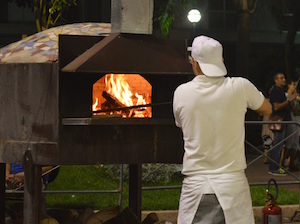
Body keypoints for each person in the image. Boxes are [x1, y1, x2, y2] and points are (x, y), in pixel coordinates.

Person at [173, 35, 272, 224]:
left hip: (196, 187)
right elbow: (267, 108)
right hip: (232, 186)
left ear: (195, 63)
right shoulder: (240, 86)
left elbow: (182, 128)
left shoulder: (181, 93)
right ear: (221, 61)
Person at [268, 73, 297, 175]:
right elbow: (276, 107)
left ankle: (277, 167)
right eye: (281, 78)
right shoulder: (275, 91)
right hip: (278, 120)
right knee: (277, 144)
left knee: (280, 144)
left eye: (284, 78)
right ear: (276, 80)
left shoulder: (280, 91)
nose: (284, 80)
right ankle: (273, 168)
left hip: (283, 120)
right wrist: (289, 100)